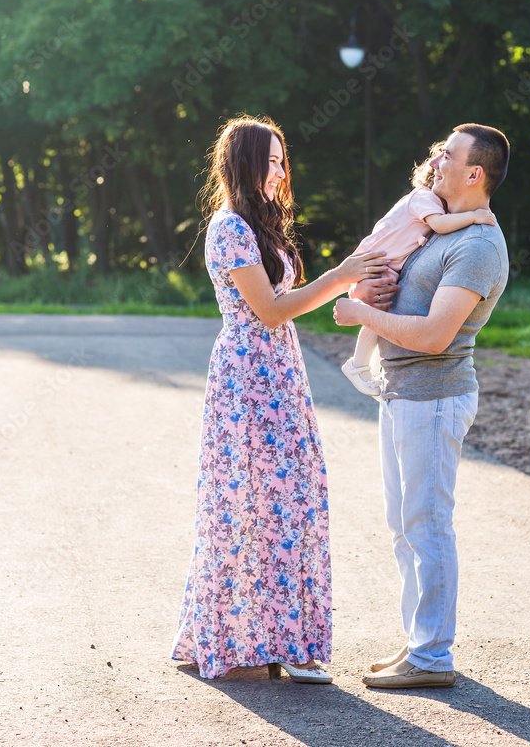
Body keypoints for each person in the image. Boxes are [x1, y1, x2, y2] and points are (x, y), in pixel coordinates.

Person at [171, 115, 389, 683]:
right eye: (269, 160)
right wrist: (338, 276)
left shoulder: (258, 225)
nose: (279, 171)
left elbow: (282, 306)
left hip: (279, 371)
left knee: (289, 499)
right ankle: (276, 643)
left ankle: (276, 637)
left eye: (281, 160)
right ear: (243, 164)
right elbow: (269, 310)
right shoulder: (229, 227)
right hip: (249, 378)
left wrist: (353, 283)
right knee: (255, 505)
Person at [334, 123, 510, 690]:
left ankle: (432, 656)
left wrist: (362, 315)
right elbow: (401, 292)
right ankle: (420, 641)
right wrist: (374, 295)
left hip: (434, 398)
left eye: (448, 155)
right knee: (404, 526)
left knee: (427, 525)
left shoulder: (477, 246)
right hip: (401, 393)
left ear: (474, 173)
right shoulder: (435, 228)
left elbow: (435, 336)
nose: (436, 161)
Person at [341, 141, 496, 397]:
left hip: (385, 262)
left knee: (380, 311)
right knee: (377, 311)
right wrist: (473, 216)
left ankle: (362, 365)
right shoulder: (424, 198)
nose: (437, 165)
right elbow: (440, 225)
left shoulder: (438, 210)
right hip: (378, 261)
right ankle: (358, 364)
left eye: (446, 159)